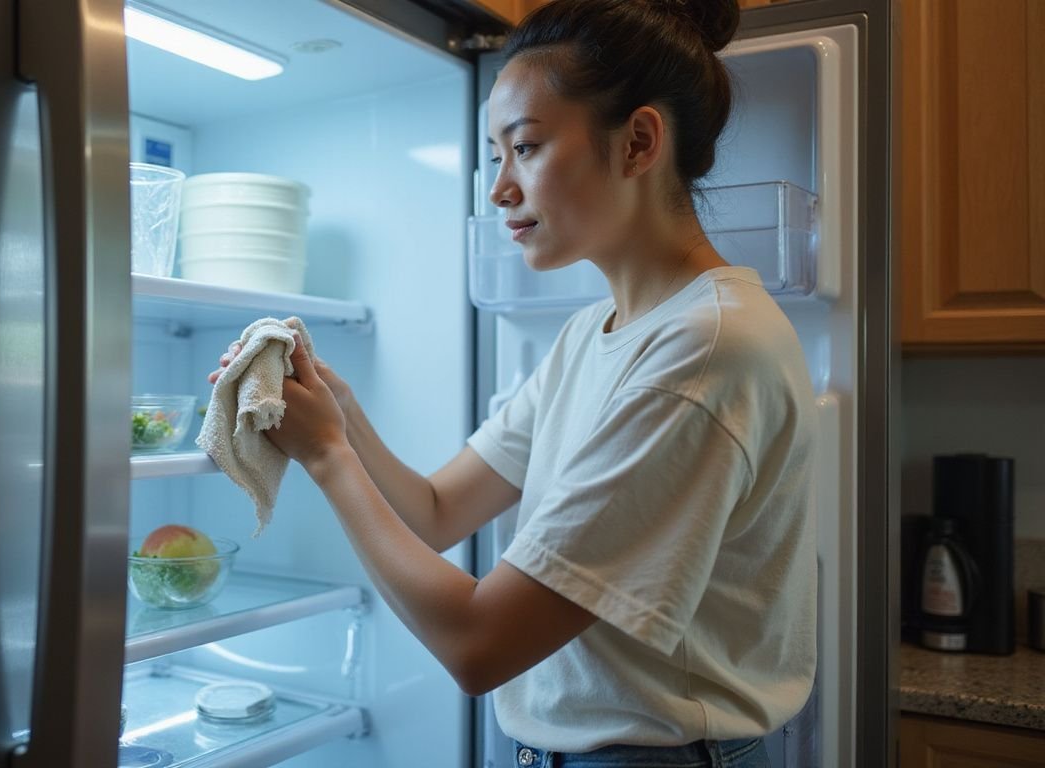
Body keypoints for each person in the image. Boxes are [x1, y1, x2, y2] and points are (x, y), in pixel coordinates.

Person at [209, 1, 816, 765]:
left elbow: (478, 645)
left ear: (637, 143)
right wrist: (341, 412)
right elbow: (436, 512)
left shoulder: (703, 352)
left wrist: (329, 456)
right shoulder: (593, 334)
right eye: (496, 156)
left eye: (524, 147)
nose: (499, 189)